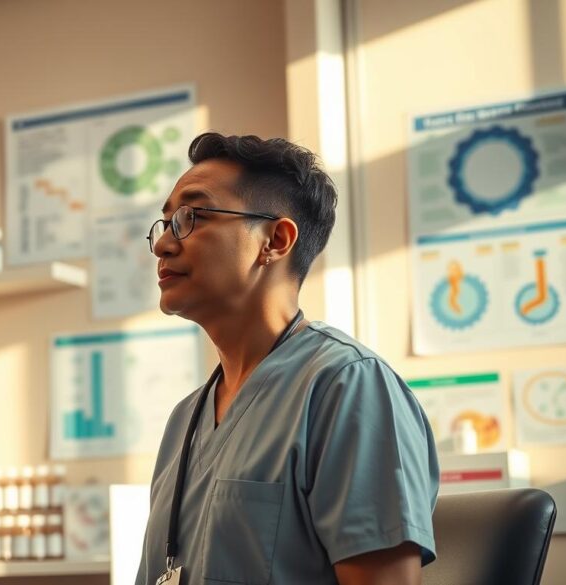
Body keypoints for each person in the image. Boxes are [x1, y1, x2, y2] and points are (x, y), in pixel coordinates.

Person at [136, 133, 438, 585]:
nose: (163, 244)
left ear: (275, 240)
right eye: (165, 224)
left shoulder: (347, 386)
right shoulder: (185, 419)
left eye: (192, 217)